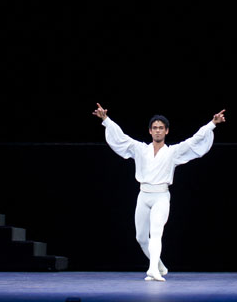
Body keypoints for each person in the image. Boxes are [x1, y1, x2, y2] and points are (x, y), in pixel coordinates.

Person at [93, 103, 225, 281]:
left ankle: (152, 270)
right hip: (143, 195)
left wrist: (212, 124)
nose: (157, 131)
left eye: (161, 128)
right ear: (150, 131)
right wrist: (105, 120)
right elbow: (121, 137)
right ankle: (159, 265)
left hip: (161, 196)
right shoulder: (140, 149)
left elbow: (195, 140)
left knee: (156, 232)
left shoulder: (173, 152)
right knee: (141, 237)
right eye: (154, 128)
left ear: (167, 131)